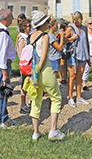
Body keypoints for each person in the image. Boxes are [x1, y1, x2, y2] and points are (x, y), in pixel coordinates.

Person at [26, 11, 65, 141]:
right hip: (44, 70)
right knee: (56, 97)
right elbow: (43, 57)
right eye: (48, 21)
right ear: (43, 23)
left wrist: (33, 73)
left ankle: (35, 133)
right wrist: (38, 71)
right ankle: (53, 130)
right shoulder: (45, 36)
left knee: (36, 101)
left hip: (32, 70)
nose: (49, 23)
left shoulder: (30, 36)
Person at [0, 9, 17, 128]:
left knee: (4, 92)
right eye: (11, 17)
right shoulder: (1, 33)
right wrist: (5, 73)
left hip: (2, 65)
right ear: (5, 19)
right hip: (2, 65)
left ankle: (4, 116)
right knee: (0, 93)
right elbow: (1, 55)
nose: (13, 19)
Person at [64, 11, 91, 107]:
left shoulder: (84, 28)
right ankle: (70, 98)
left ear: (80, 19)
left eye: (76, 20)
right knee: (72, 76)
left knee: (80, 76)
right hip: (73, 55)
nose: (74, 21)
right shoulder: (71, 29)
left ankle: (79, 97)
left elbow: (87, 42)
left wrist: (88, 57)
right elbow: (63, 40)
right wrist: (72, 38)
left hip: (83, 55)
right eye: (73, 20)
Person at [16, 18, 32, 114]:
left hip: (30, 64)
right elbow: (21, 54)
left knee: (29, 84)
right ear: (23, 27)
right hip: (25, 65)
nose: (30, 28)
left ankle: (30, 101)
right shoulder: (22, 39)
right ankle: (23, 104)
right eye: (28, 26)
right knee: (24, 85)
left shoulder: (28, 37)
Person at [58, 20, 69, 84]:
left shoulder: (66, 33)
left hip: (66, 49)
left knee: (65, 64)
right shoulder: (60, 34)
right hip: (62, 49)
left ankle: (65, 77)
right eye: (66, 27)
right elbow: (63, 41)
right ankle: (61, 78)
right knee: (62, 64)